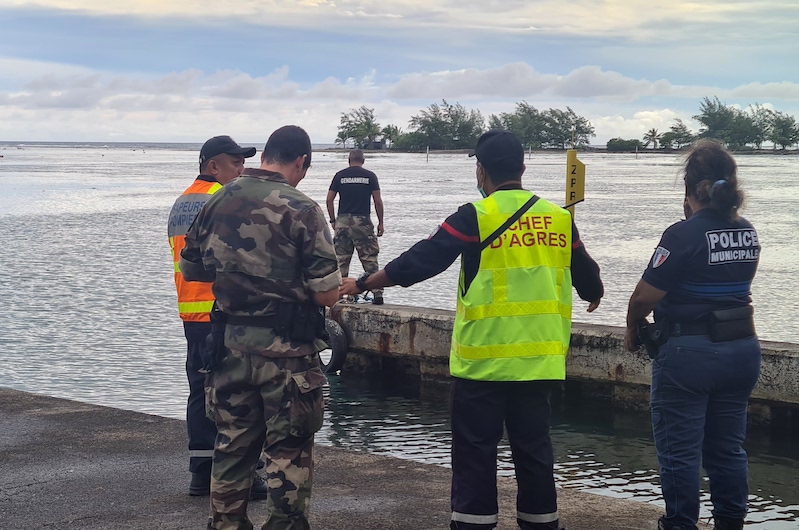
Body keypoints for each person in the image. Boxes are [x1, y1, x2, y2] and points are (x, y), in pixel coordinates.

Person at [340, 129, 604, 530]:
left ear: (481, 170)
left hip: (484, 363)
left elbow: (421, 261)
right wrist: (594, 294)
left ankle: (473, 525)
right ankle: (542, 524)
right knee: (534, 451)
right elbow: (585, 272)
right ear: (523, 168)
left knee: (475, 452)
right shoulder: (559, 218)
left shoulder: (475, 216)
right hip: (539, 362)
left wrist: (362, 283)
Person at [180, 125, 341, 530]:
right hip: (287, 355)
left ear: (266, 155)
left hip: (229, 348)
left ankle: (225, 524)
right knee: (288, 452)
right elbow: (326, 293)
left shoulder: (219, 199)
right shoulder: (302, 208)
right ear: (301, 161)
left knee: (231, 446)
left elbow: (192, 268)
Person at [624, 139, 761, 530]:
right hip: (742, 349)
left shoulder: (682, 234)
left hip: (690, 355)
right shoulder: (747, 232)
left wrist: (632, 325)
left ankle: (680, 523)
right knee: (727, 448)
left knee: (679, 450)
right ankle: (731, 522)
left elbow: (644, 297)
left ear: (689, 189)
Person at [167, 135, 269, 499]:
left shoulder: (182, 202)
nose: (242, 169)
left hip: (190, 311)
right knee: (235, 395)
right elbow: (240, 256)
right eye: (235, 163)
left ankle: (201, 471)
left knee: (200, 390)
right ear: (214, 166)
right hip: (221, 310)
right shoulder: (221, 200)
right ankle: (242, 477)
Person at [326, 148, 385, 304]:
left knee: (341, 260)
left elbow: (329, 199)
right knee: (369, 258)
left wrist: (333, 220)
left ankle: (338, 295)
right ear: (363, 161)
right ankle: (377, 293)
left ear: (349, 160)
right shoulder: (370, 176)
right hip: (362, 221)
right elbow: (378, 201)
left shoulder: (340, 176)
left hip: (342, 221)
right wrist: (381, 222)